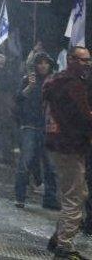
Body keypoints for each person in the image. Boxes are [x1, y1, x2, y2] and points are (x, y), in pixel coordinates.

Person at [44, 47, 92, 259]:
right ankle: (64, 246)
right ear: (72, 60)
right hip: (70, 145)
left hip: (58, 144)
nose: (87, 64)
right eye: (83, 60)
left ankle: (58, 238)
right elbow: (82, 116)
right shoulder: (73, 85)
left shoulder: (55, 81)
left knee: (69, 194)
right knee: (75, 196)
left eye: (89, 60)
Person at [13, 51, 59, 209]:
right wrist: (30, 87)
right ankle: (20, 197)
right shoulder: (28, 79)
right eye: (40, 62)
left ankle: (50, 199)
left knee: (50, 165)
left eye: (46, 62)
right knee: (25, 162)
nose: (43, 65)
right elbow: (18, 98)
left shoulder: (54, 81)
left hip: (48, 126)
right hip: (30, 125)